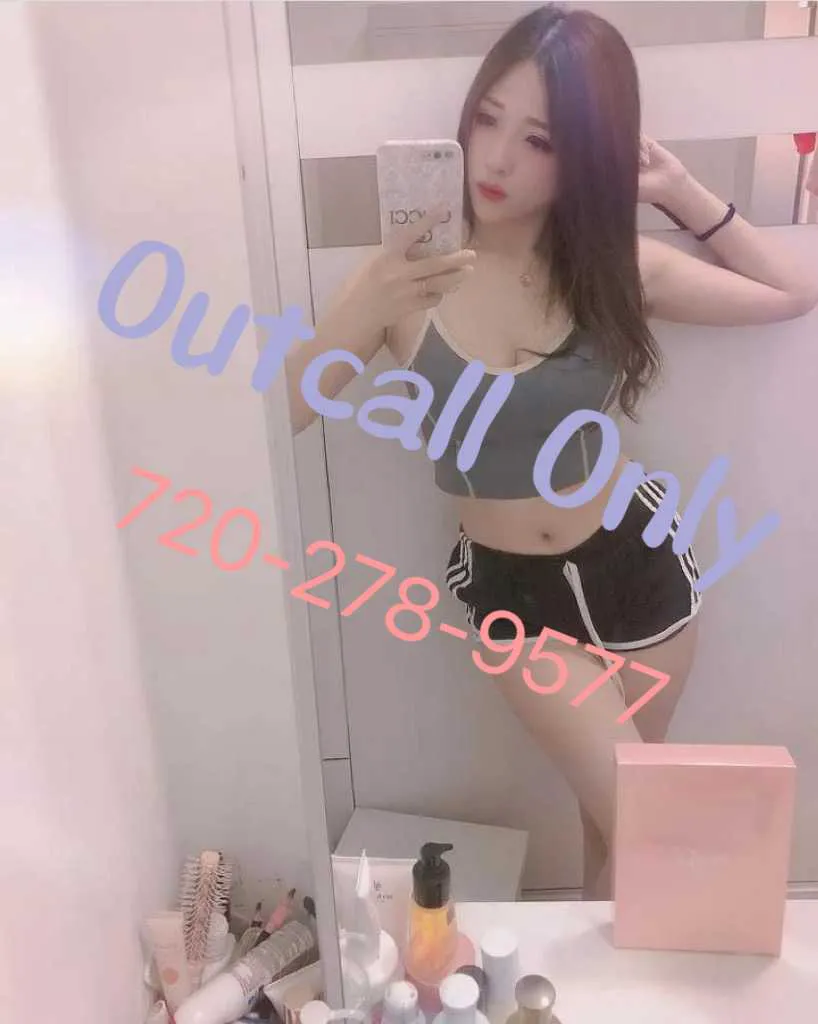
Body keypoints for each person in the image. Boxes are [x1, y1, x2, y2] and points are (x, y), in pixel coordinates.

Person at [286, 4, 818, 898]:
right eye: (487, 120)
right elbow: (277, 419)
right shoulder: (406, 279)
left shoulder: (616, 270)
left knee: (612, 838)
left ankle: (610, 968)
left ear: (584, 157)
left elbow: (793, 292)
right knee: (645, 824)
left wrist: (681, 192)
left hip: (642, 569)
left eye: (538, 140)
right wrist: (364, 304)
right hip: (516, 600)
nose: (496, 159)